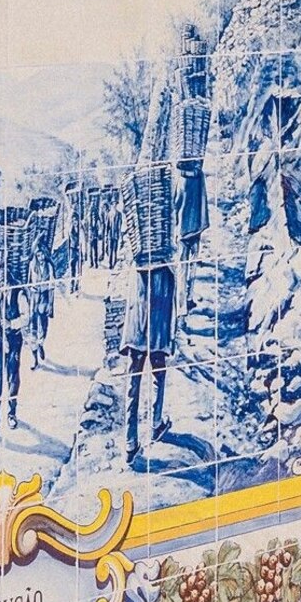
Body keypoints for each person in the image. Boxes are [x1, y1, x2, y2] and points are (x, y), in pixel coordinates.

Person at [127, 141, 179, 457]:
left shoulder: (137, 261)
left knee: (134, 379)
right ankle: (156, 422)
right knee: (158, 370)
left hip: (136, 326)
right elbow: (170, 299)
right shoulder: (164, 266)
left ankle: (130, 441)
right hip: (155, 329)